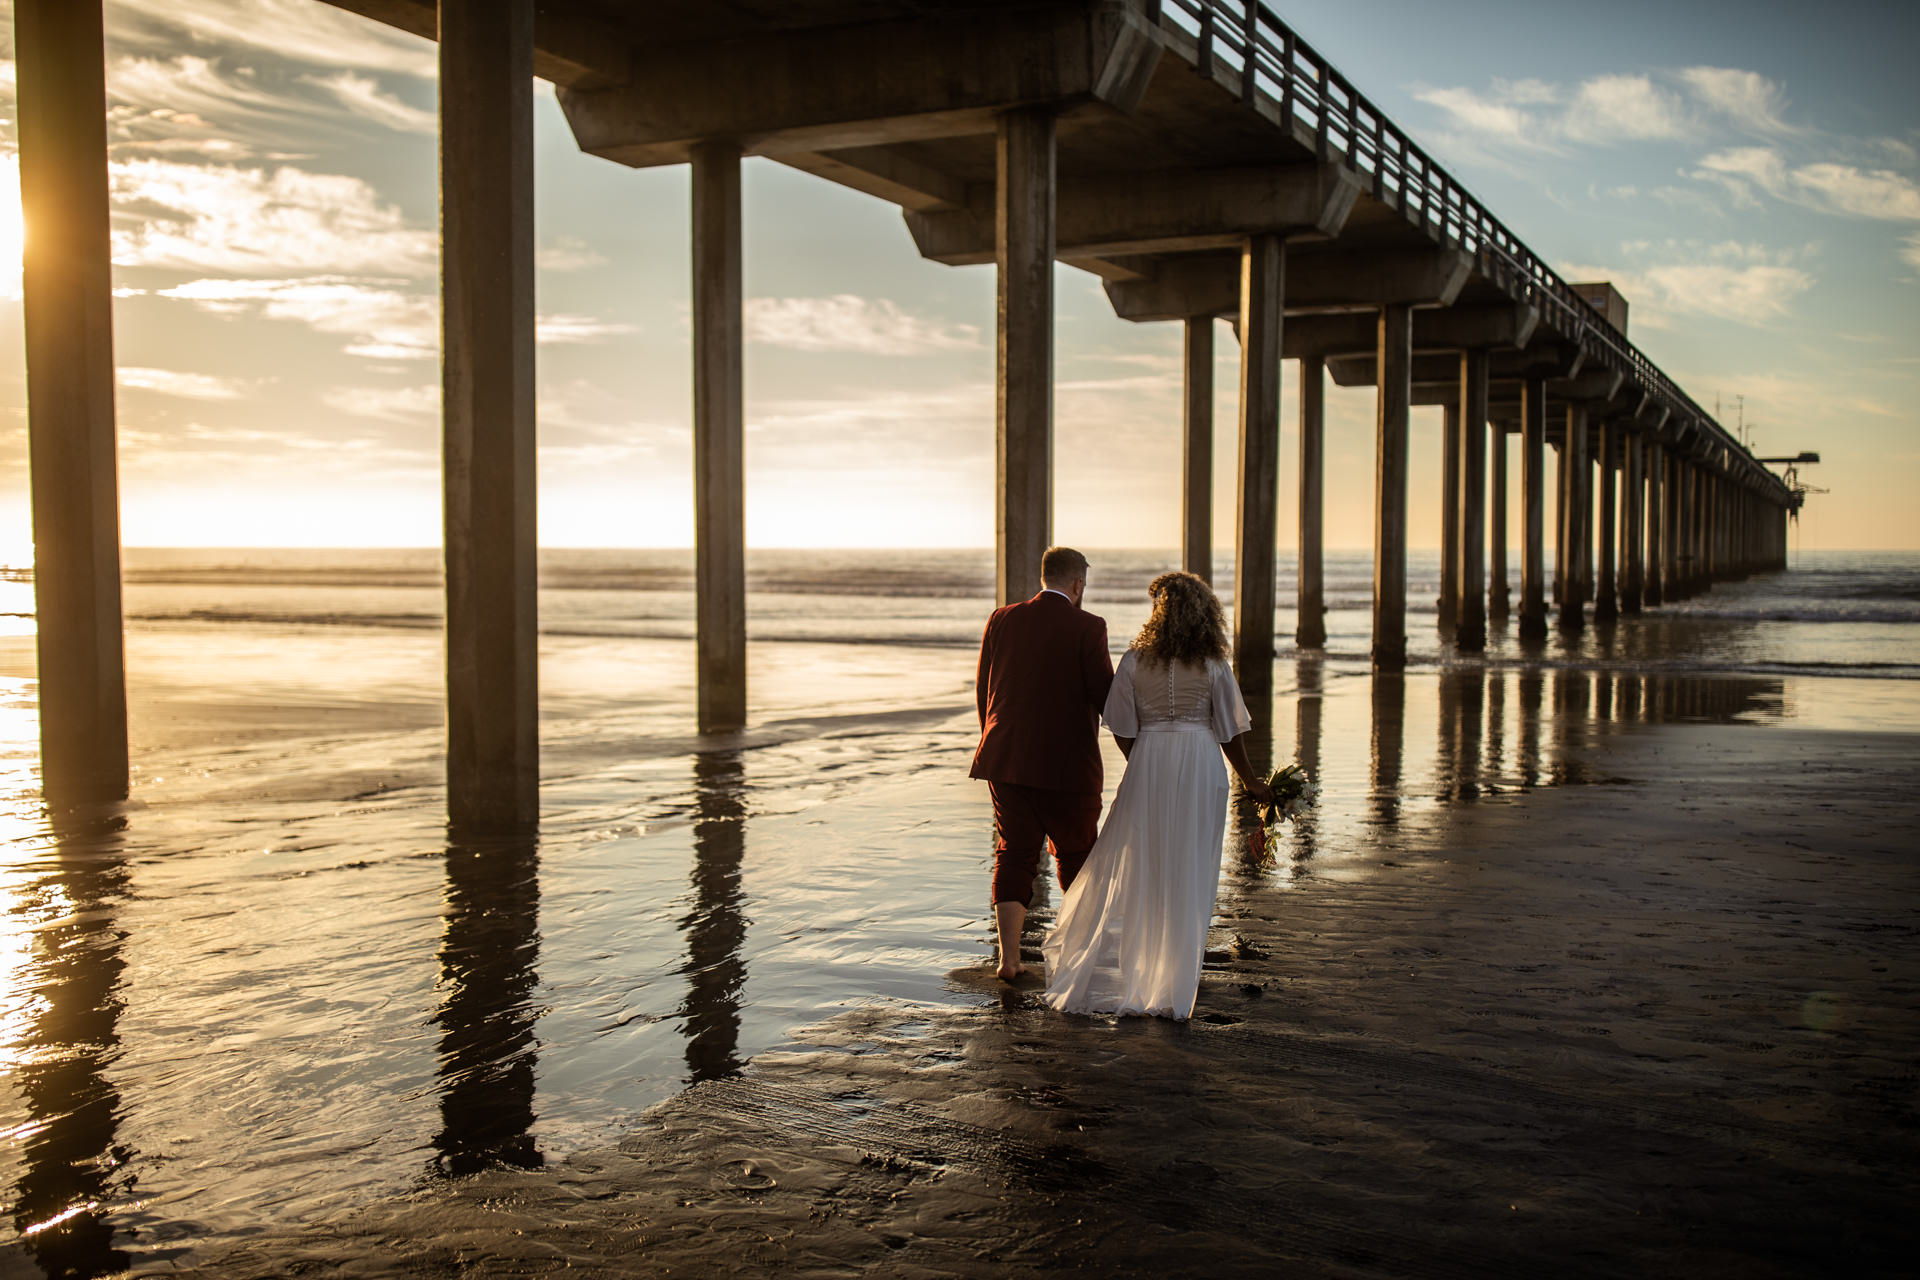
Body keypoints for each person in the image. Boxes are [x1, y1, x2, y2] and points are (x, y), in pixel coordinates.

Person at [1042, 570, 1274, 1020]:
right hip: (1201, 763)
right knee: (1190, 865)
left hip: (1150, 762)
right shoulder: (1212, 664)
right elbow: (1230, 732)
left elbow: (1122, 727)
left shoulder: (1133, 659)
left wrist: (1145, 759)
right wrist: (1251, 780)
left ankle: (1144, 973)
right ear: (1204, 613)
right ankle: (1176, 978)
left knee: (1147, 867)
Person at [969, 546, 1115, 982]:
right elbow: (1105, 697)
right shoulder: (1089, 627)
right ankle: (1073, 954)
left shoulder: (1002, 618)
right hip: (1067, 766)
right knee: (1076, 856)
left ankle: (1009, 960)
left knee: (1013, 855)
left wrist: (998, 742)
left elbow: (985, 691)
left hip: (1005, 760)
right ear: (1077, 584)